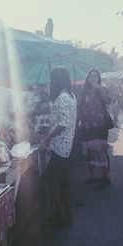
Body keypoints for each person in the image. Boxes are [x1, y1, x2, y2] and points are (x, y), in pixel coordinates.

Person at [39, 67, 77, 227]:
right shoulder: (70, 95)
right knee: (59, 180)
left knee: (53, 179)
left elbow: (63, 123)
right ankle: (63, 213)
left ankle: (64, 214)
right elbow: (61, 119)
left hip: (61, 145)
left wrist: (47, 138)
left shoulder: (63, 97)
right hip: (64, 144)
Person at [77, 69, 112, 187]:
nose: (93, 78)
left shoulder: (103, 89)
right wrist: (79, 121)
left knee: (101, 149)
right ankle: (93, 175)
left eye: (95, 76)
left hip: (101, 124)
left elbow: (108, 101)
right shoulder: (83, 91)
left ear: (98, 78)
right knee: (91, 151)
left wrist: (100, 89)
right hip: (87, 124)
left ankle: (104, 177)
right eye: (90, 76)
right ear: (87, 78)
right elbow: (79, 106)